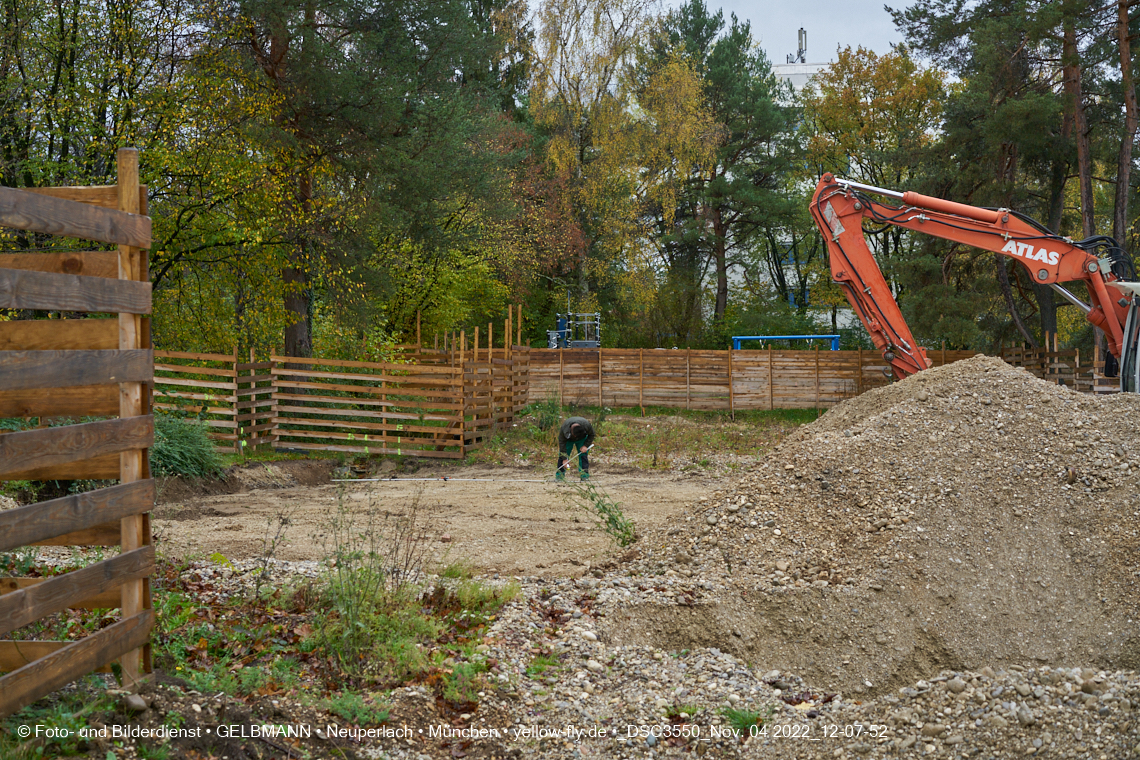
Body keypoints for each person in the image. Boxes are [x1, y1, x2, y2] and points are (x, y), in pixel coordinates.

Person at [556, 416, 595, 481]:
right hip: (568, 440)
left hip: (582, 439)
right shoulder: (564, 428)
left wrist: (586, 445)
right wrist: (565, 459)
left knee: (583, 456)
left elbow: (592, 434)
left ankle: (584, 476)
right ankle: (559, 476)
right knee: (562, 456)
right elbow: (562, 443)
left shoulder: (586, 425)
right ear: (571, 431)